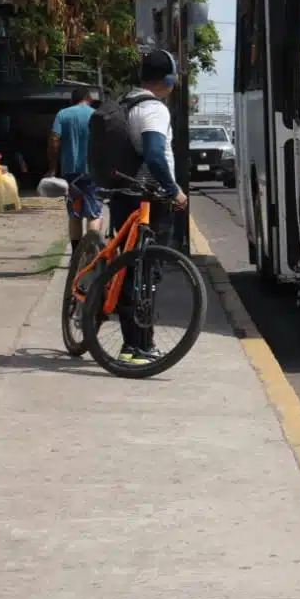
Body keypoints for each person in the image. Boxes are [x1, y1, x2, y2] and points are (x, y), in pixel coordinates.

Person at [106, 50, 187, 366]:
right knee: (146, 272)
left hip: (125, 195)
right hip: (149, 199)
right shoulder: (154, 109)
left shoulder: (127, 102)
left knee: (130, 268)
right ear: (168, 79)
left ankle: (133, 343)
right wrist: (173, 190)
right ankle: (139, 346)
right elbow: (154, 154)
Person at [51, 87, 100, 249]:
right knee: (93, 214)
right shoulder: (96, 115)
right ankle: (92, 254)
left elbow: (54, 141)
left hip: (70, 173)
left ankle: (76, 254)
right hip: (93, 171)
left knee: (75, 214)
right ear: (89, 99)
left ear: (72, 100)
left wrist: (53, 167)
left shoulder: (63, 114)